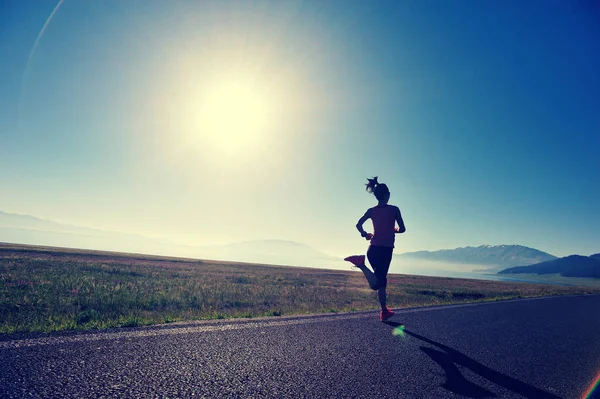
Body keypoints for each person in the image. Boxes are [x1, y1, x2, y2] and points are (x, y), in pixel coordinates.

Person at [344, 176, 406, 321]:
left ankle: (384, 311)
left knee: (382, 281)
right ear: (387, 195)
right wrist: (394, 230)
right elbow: (403, 229)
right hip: (385, 251)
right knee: (377, 283)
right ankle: (360, 264)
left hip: (372, 250)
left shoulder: (371, 211)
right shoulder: (394, 210)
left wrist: (365, 234)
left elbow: (358, 224)